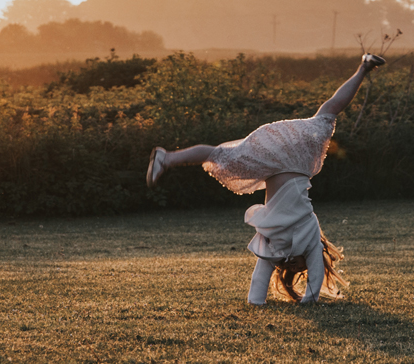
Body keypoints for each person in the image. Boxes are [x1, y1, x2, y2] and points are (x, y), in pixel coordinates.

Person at [147, 53, 385, 304]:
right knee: (330, 109)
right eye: (298, 267)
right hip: (296, 157)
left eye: (289, 268)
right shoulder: (311, 237)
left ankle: (167, 159)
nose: (293, 264)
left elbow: (258, 284)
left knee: (220, 155)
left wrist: (257, 303)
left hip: (274, 160)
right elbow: (315, 279)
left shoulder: (271, 247)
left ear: (282, 267)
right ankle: (364, 67)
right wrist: (308, 301)